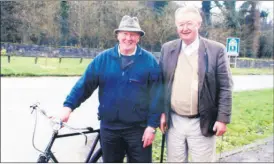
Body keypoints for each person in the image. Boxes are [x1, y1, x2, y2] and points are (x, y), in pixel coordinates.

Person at [56, 15, 163, 163]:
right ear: (118, 35)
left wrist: (152, 126)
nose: (128, 38)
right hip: (110, 129)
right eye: (125, 33)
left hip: (138, 129)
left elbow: (157, 97)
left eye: (133, 34)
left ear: (138, 38)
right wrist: (68, 107)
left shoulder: (149, 61)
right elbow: (84, 85)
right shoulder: (103, 59)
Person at [159, 6, 233, 162]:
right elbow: (161, 84)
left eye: (189, 23)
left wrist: (222, 119)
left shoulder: (216, 50)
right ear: (176, 26)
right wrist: (162, 113)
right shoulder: (167, 49)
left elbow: (225, 87)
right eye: (181, 24)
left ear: (198, 24)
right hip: (175, 122)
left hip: (202, 122)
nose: (185, 28)